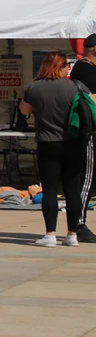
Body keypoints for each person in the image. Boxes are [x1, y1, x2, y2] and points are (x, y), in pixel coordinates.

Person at [20, 51, 90, 248]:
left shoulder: (34, 87)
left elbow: (24, 111)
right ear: (61, 67)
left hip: (47, 143)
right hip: (73, 142)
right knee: (72, 189)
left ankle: (50, 234)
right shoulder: (75, 86)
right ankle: (72, 234)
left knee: (50, 189)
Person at [68, 33, 96, 243]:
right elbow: (91, 100)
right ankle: (78, 224)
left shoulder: (84, 68)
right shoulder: (86, 69)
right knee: (86, 179)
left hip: (89, 131)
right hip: (89, 133)